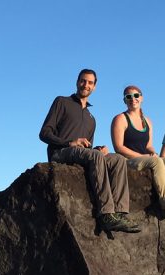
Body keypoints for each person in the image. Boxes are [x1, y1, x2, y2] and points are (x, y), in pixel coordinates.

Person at [39, 69, 139, 235]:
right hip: (61, 152)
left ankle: (120, 213)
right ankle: (106, 214)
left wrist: (97, 149)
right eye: (83, 81)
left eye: (90, 82)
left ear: (95, 86)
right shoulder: (62, 102)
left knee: (117, 159)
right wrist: (69, 142)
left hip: (81, 155)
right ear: (77, 81)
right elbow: (44, 133)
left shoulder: (91, 118)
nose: (86, 85)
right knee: (95, 155)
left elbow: (88, 150)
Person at [110, 85, 165, 214]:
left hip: (145, 158)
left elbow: (149, 144)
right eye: (129, 96)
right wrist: (142, 156)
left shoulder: (148, 121)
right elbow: (119, 147)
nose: (133, 99)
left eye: (136, 95)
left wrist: (152, 152)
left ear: (142, 98)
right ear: (125, 100)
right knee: (157, 162)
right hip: (128, 160)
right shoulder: (120, 119)